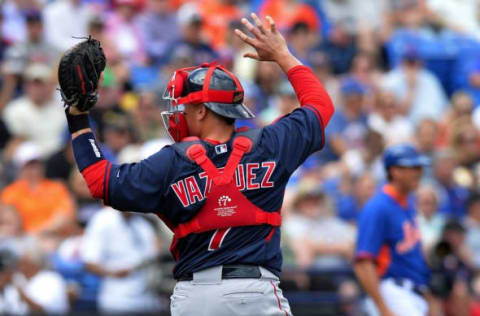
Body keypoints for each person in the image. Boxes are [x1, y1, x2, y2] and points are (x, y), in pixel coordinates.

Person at [63, 13, 334, 316]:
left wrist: (77, 117)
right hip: (254, 292)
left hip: (196, 296)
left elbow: (100, 182)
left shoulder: (170, 161)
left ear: (203, 111)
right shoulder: (271, 144)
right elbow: (321, 106)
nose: (177, 112)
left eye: (184, 105)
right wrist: (282, 55)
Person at [353, 144, 431, 316]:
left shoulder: (407, 203)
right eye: (413, 167)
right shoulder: (378, 207)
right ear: (395, 171)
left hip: (413, 293)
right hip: (392, 292)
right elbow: (363, 264)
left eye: (419, 167)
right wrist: (384, 309)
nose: (419, 172)